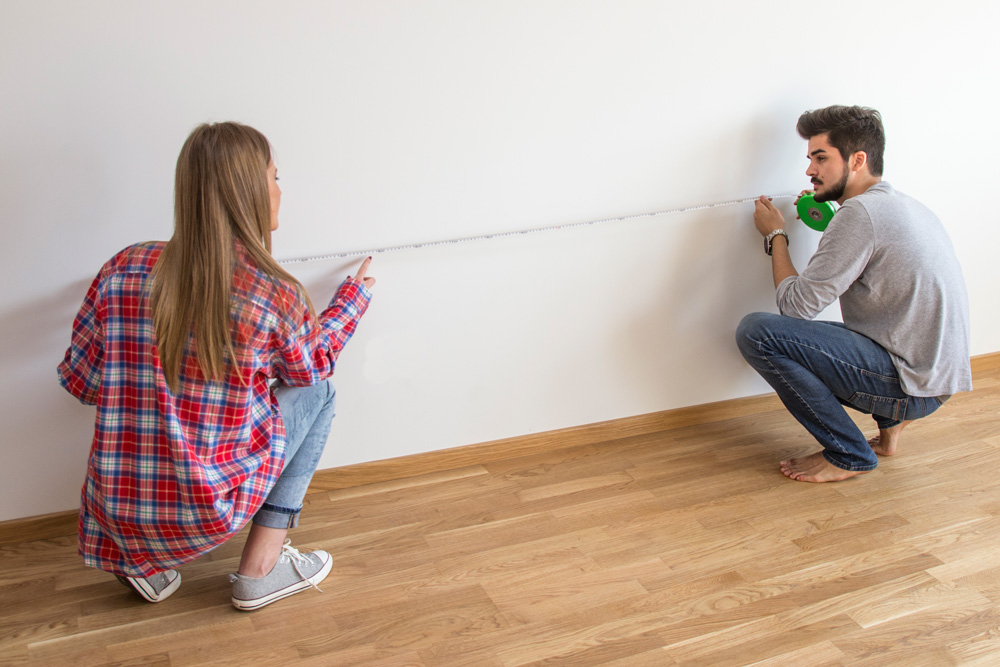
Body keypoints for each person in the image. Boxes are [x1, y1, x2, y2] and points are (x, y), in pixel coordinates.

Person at [58, 121, 375, 609]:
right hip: (206, 511)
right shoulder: (272, 293)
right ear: (250, 189)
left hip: (114, 513)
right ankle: (259, 571)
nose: (280, 190)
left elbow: (82, 383)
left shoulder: (123, 267)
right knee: (320, 392)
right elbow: (312, 368)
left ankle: (145, 565)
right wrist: (352, 300)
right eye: (275, 176)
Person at [736, 105, 971, 483]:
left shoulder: (859, 215)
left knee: (757, 332)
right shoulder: (903, 205)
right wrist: (832, 221)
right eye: (810, 159)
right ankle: (889, 434)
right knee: (869, 326)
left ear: (857, 159)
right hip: (938, 380)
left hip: (911, 386)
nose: (810, 170)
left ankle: (847, 453)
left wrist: (775, 235)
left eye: (821, 158)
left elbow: (795, 307)